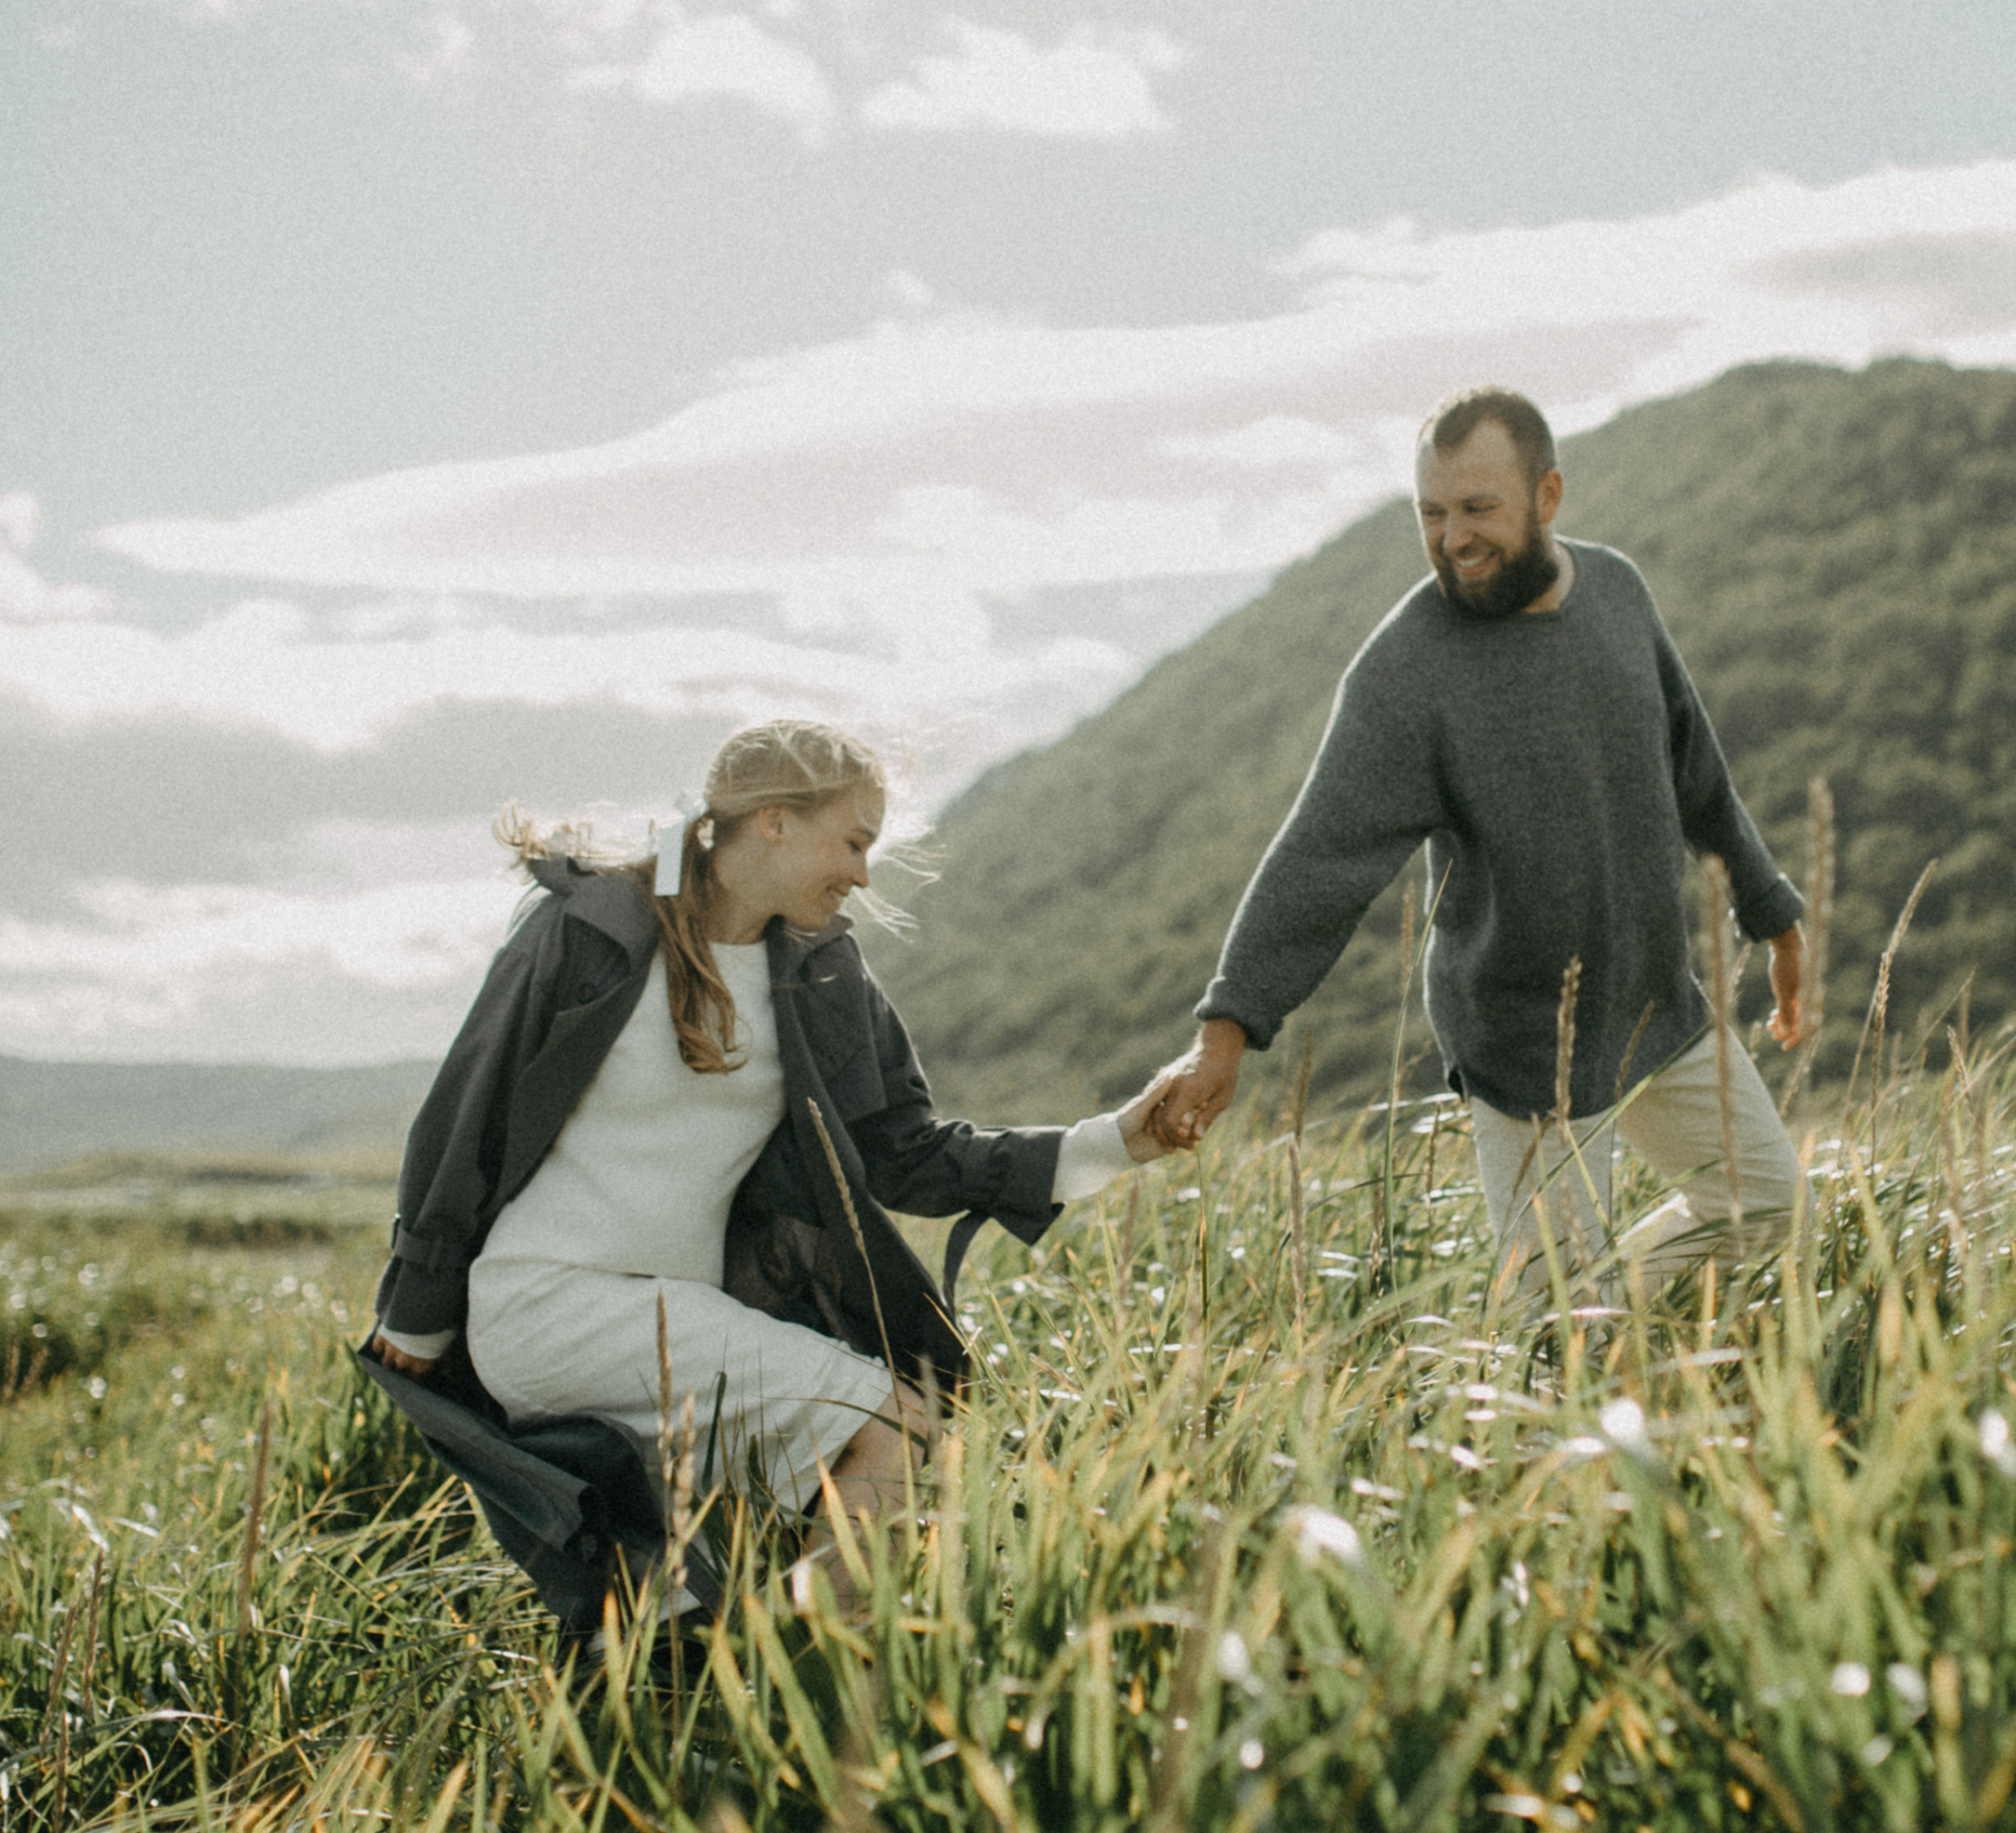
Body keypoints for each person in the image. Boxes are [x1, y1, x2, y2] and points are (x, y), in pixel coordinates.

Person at [370, 718, 1175, 1602]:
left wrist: (1114, 1141)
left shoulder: (823, 974)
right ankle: (800, 1685)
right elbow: (464, 1116)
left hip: (680, 1316)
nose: (864, 874)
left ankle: (755, 1686)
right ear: (774, 821)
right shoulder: (589, 930)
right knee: (897, 1434)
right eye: (855, 841)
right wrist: (417, 1314)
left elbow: (905, 1154)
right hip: (551, 1301)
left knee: (707, 1579)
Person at [1147, 388, 1809, 1304]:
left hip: (1658, 1004)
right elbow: (1319, 860)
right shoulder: (1408, 670)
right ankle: (1566, 1343)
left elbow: (1692, 761)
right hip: (1524, 1041)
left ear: (1546, 497)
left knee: (1764, 1202)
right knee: (1554, 1329)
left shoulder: (1615, 591)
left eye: (1476, 508)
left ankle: (1602, 1320)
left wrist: (1771, 915)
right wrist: (1224, 1037)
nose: (1453, 537)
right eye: (1431, 512)